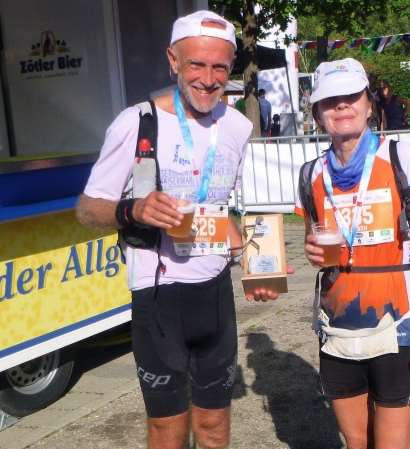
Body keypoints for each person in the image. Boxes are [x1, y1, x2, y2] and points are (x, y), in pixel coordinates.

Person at [76, 11, 290, 449]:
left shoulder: (238, 127)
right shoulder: (137, 122)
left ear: (231, 67)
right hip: (159, 298)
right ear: (173, 60)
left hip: (215, 296)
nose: (208, 80)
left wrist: (256, 264)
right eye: (196, 64)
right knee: (168, 431)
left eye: (219, 67)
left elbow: (222, 213)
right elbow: (87, 210)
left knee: (214, 428)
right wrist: (134, 209)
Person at [295, 58, 410, 449]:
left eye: (351, 96)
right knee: (357, 443)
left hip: (397, 324)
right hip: (338, 327)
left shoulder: (402, 158)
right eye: (329, 100)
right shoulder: (309, 174)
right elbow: (312, 244)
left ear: (369, 104)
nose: (341, 105)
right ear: (317, 114)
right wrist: (312, 252)